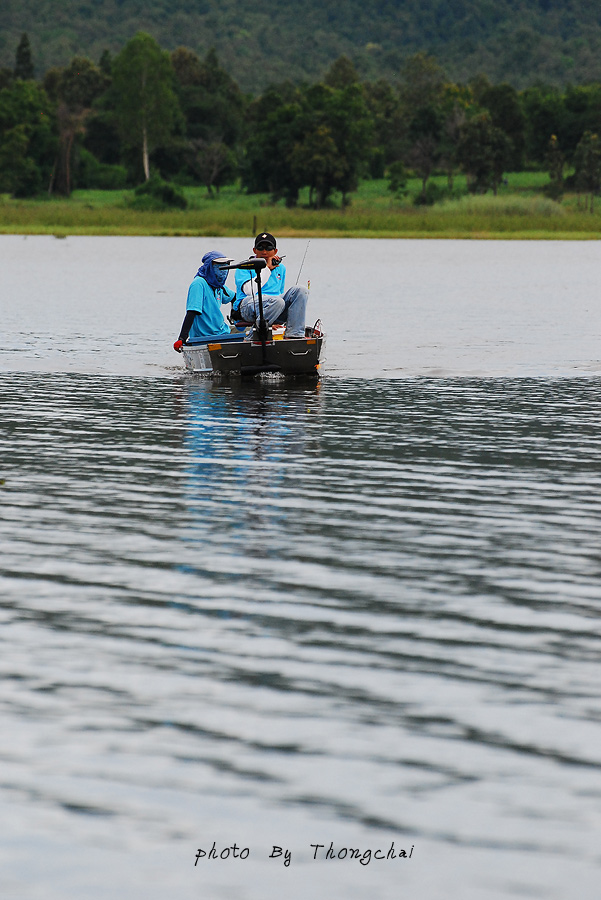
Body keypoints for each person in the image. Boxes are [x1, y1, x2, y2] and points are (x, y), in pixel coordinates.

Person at [232, 232, 308, 338]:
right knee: (277, 302)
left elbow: (279, 293)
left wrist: (274, 316)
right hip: (248, 306)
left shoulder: (281, 268)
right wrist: (266, 269)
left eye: (268, 248)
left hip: (275, 305)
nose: (264, 252)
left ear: (275, 251)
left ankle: (294, 335)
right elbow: (249, 291)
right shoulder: (245, 266)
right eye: (260, 248)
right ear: (254, 250)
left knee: (301, 290)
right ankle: (252, 337)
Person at [173, 250, 235, 352]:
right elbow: (192, 312)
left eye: (225, 265)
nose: (223, 270)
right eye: (219, 265)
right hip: (205, 336)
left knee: (249, 332)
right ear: (209, 267)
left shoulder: (219, 286)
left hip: (222, 332)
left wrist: (235, 313)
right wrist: (182, 338)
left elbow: (234, 297)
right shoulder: (199, 284)